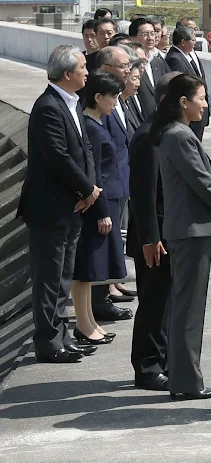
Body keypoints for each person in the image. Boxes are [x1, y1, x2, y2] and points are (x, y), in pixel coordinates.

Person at [17, 45, 101, 363]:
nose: (87, 72)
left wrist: (89, 189)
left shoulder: (71, 102)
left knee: (63, 276)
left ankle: (62, 336)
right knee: (49, 278)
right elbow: (58, 159)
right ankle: (48, 343)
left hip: (73, 204)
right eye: (82, 67)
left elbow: (85, 149)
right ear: (67, 74)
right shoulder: (48, 107)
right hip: (49, 208)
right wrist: (85, 190)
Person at [150, 74, 211, 400]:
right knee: (188, 309)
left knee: (186, 306)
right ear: (183, 102)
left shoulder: (175, 133)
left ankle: (184, 379)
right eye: (201, 98)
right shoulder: (179, 136)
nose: (206, 104)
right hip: (189, 231)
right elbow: (202, 184)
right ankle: (186, 382)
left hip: (189, 228)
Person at [128, 71, 181, 391]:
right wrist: (151, 238)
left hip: (165, 232)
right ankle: (147, 367)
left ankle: (161, 360)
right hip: (154, 236)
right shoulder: (149, 137)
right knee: (153, 303)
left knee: (164, 302)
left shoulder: (167, 132)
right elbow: (144, 194)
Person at [72, 71, 128, 346]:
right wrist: (101, 211)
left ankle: (90, 321)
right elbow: (95, 175)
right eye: (113, 97)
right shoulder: (90, 126)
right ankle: (84, 324)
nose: (116, 103)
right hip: (98, 204)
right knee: (87, 267)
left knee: (94, 269)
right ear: (97, 97)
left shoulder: (97, 122)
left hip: (109, 199)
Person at [165, 27, 208, 141]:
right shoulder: (175, 59)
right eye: (192, 40)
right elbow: (180, 86)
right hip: (188, 111)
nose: (195, 43)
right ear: (183, 42)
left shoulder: (186, 56)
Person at [130, 18, 171, 116]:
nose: (150, 38)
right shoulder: (129, 64)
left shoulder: (158, 61)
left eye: (152, 34)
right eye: (145, 34)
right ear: (132, 37)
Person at [120, 61, 142, 132]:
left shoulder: (128, 102)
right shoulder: (115, 106)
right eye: (134, 78)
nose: (138, 84)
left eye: (139, 78)